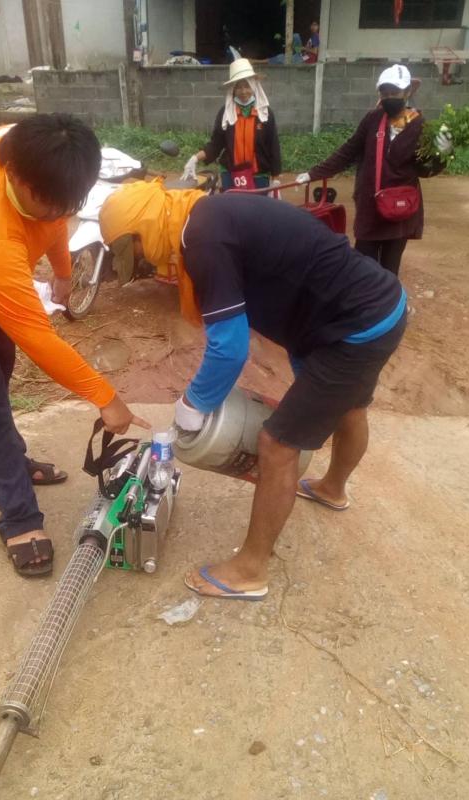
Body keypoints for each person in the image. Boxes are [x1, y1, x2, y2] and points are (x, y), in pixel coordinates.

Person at [99, 180, 407, 600]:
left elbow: (229, 349)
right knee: (350, 406)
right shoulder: (207, 216)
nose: (140, 260)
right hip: (374, 309)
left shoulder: (201, 239)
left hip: (352, 331)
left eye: (130, 248)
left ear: (143, 226)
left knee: (277, 446)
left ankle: (249, 570)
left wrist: (194, 403)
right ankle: (332, 489)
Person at [0, 114, 149, 577]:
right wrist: (105, 397)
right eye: (50, 204)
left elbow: (56, 216)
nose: (61, 212)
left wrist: (62, 271)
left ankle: (10, 462)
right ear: (16, 177)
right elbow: (36, 334)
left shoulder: (41, 148)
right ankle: (19, 517)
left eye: (70, 202)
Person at [296, 64, 453, 275]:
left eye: (394, 92)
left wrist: (442, 155)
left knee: (390, 270)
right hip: (370, 207)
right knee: (363, 268)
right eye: (384, 93)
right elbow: (348, 151)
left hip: (399, 210)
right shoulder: (373, 120)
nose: (389, 97)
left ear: (407, 92)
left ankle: (390, 296)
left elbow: (424, 170)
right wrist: (313, 174)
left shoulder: (420, 126)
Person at [181, 58, 281, 191]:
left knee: (256, 205)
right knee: (231, 204)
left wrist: (275, 179)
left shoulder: (265, 114)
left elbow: (273, 146)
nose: (243, 91)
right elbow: (216, 144)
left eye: (247, 86)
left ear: (254, 86)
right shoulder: (226, 113)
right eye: (238, 87)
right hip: (231, 174)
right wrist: (195, 158)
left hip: (258, 175)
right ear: (233, 89)